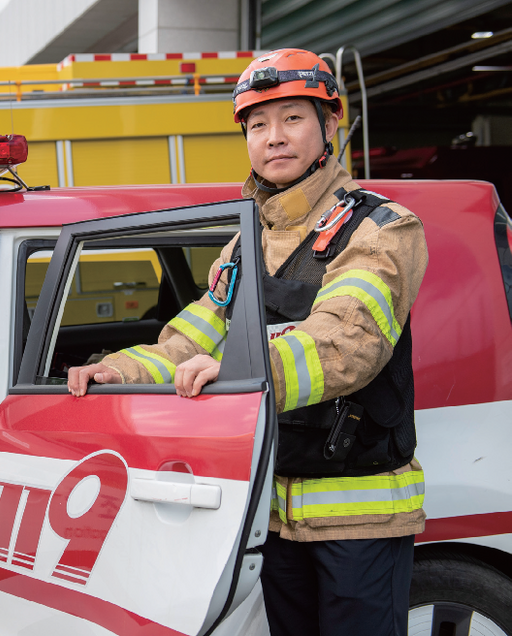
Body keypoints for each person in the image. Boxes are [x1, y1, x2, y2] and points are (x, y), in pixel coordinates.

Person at [67, 48, 427, 636]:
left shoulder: (380, 228)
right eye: (258, 124)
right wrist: (120, 372)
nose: (273, 137)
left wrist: (239, 370)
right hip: (271, 512)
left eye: (291, 118)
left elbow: (348, 340)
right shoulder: (245, 244)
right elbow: (192, 337)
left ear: (330, 125)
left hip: (359, 518)